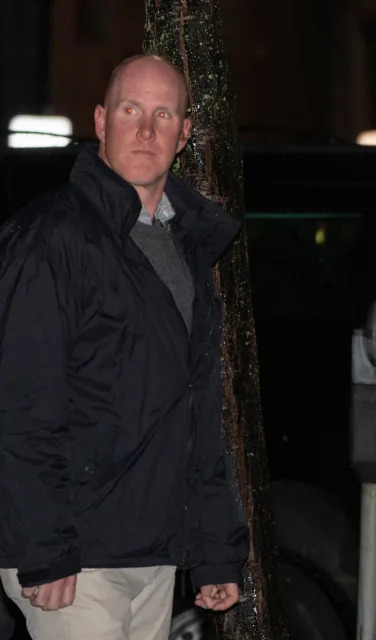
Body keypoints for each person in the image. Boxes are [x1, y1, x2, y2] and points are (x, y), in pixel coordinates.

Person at [0, 54, 249, 639]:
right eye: (130, 109)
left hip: (151, 551)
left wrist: (214, 548)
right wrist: (46, 548)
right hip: (75, 556)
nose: (145, 129)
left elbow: (196, 412)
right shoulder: (52, 240)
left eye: (163, 114)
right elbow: (19, 404)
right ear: (100, 120)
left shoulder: (185, 245)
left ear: (184, 134)